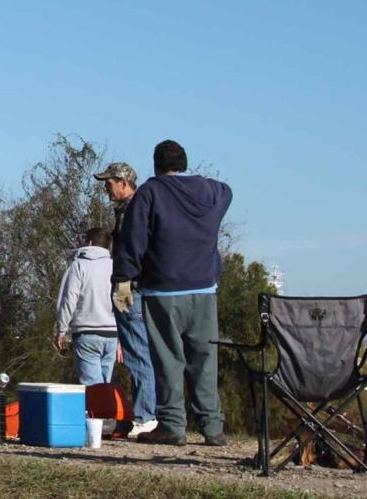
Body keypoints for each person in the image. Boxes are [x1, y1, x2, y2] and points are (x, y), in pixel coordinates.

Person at [112, 139, 233, 447]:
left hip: (163, 290)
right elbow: (226, 191)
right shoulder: (210, 191)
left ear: (156, 165)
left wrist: (123, 280)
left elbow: (132, 240)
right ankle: (213, 427)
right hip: (205, 289)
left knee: (168, 360)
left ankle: (172, 425)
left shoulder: (151, 193)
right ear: (184, 163)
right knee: (205, 358)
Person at [95, 161, 159, 438]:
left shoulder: (133, 211)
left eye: (109, 183)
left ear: (123, 182)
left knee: (137, 351)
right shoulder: (129, 210)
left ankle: (146, 416)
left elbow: (131, 255)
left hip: (129, 289)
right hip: (132, 289)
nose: (106, 189)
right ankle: (144, 414)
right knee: (137, 350)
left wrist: (121, 292)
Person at [54, 227, 119, 386]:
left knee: (93, 388)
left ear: (88, 242)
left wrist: (61, 330)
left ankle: (97, 411)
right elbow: (123, 300)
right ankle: (105, 411)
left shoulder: (78, 266)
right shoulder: (115, 266)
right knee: (105, 386)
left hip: (87, 333)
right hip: (113, 333)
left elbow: (69, 299)